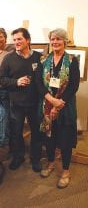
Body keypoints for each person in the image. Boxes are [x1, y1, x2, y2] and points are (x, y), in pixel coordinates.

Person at [37, 28, 80, 188]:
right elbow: (38, 83)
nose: (55, 42)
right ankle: (50, 163)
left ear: (65, 42)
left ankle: (66, 171)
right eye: (52, 39)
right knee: (49, 137)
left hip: (65, 106)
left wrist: (59, 103)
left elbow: (74, 85)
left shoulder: (72, 60)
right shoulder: (43, 60)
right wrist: (51, 100)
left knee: (65, 139)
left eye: (58, 39)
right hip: (47, 105)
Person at [0, 27, 42, 172]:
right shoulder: (9, 58)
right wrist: (16, 82)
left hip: (35, 102)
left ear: (27, 40)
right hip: (16, 103)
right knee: (16, 132)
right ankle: (19, 156)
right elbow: (1, 79)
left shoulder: (39, 57)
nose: (16, 42)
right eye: (15, 39)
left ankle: (35, 159)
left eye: (19, 39)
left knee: (36, 131)